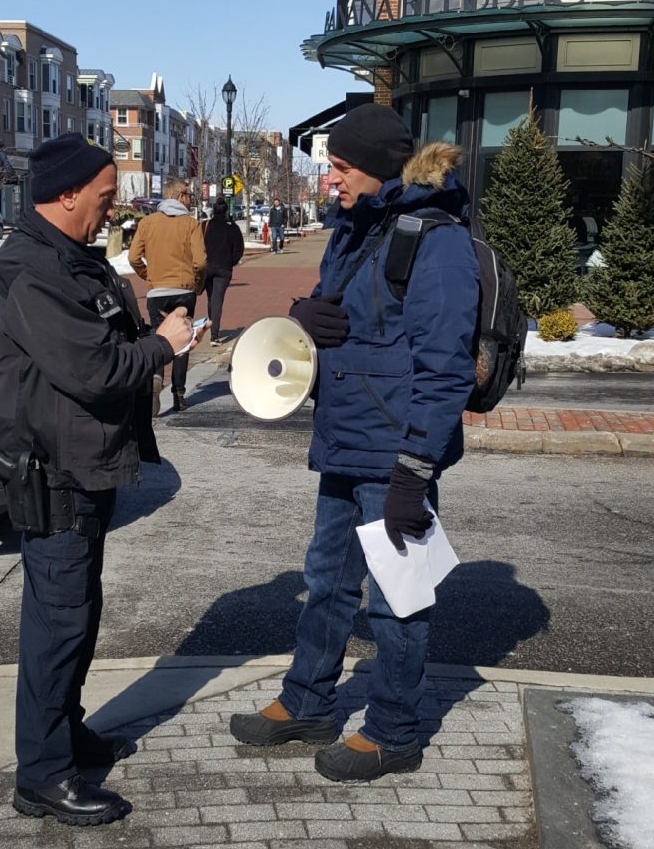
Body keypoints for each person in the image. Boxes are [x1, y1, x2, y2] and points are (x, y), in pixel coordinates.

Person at [229, 103, 480, 783]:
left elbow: (446, 366)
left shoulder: (436, 240)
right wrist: (304, 318)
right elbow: (342, 318)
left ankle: (394, 730)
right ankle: (308, 700)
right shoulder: (352, 230)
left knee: (397, 596)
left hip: (395, 454)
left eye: (339, 167)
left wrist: (413, 470)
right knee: (326, 583)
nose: (329, 179)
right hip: (344, 441)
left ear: (372, 168)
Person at [0, 134, 199, 826]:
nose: (112, 211)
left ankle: (64, 734)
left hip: (85, 466)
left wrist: (149, 336)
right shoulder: (30, 270)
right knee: (58, 623)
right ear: (67, 193)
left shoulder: (71, 261)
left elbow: (105, 347)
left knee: (77, 616)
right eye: (105, 197)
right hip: (53, 473)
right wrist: (164, 345)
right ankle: (42, 776)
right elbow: (93, 370)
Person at [128, 178, 206, 412]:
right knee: (182, 340)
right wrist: (196, 284)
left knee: (158, 336)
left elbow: (133, 257)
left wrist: (149, 275)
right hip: (184, 290)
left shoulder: (148, 223)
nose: (191, 199)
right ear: (180, 196)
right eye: (190, 195)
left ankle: (155, 380)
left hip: (158, 291)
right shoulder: (191, 224)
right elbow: (201, 262)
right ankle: (179, 394)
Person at [202, 196, 245, 345]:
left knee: (210, 298)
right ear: (226, 211)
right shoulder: (232, 227)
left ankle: (212, 325)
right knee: (217, 300)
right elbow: (239, 248)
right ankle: (214, 335)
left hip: (208, 266)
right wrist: (231, 261)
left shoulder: (205, 226)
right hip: (224, 267)